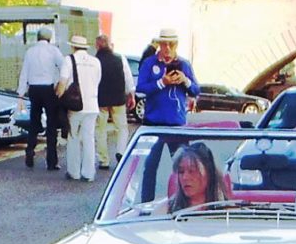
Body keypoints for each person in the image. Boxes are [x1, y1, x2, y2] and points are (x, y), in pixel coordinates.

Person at [135, 28, 201, 200]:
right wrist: (162, 82)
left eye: (171, 44)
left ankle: (184, 202)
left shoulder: (184, 64)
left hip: (176, 124)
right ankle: (145, 204)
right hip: (153, 123)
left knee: (184, 166)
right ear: (159, 45)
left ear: (176, 45)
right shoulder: (150, 63)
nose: (167, 48)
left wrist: (184, 81)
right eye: (164, 44)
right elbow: (140, 90)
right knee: (149, 166)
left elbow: (196, 90)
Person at [16, 27, 64, 170]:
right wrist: (60, 84)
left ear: (37, 37)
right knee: (51, 124)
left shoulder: (30, 52)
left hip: (34, 89)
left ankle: (30, 151)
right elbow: (63, 67)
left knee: (34, 122)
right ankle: (51, 160)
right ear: (49, 38)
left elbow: (24, 73)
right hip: (49, 89)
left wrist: (21, 93)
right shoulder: (54, 51)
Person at [56, 34, 102, 182]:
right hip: (92, 104)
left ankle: (73, 171)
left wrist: (58, 97)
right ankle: (89, 173)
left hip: (75, 106)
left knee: (73, 137)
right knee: (89, 138)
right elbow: (97, 81)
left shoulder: (69, 60)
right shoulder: (95, 62)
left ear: (73, 46)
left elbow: (62, 83)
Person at [93, 34, 135, 169]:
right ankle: (121, 151)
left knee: (100, 129)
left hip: (101, 100)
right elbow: (128, 78)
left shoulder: (95, 61)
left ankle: (103, 159)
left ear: (97, 45)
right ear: (110, 45)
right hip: (118, 99)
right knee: (122, 127)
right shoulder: (120, 58)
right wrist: (131, 95)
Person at [167, 142, 227, 212]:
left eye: (192, 171)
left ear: (209, 173)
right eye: (181, 171)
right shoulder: (165, 211)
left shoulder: (229, 212)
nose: (185, 177)